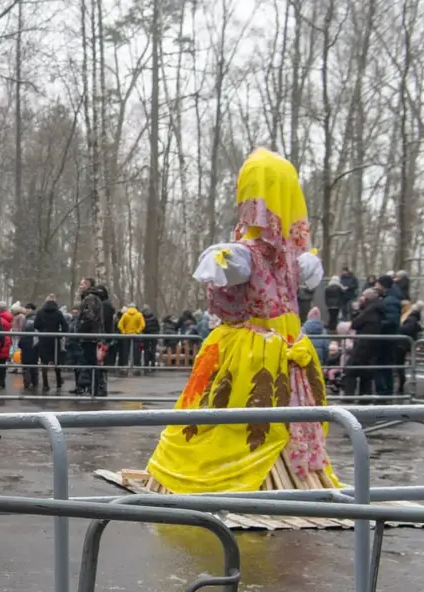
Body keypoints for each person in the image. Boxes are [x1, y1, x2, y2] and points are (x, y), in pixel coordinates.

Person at [143, 148, 339, 494]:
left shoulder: (252, 256)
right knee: (253, 417)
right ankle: (287, 484)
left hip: (257, 353)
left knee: (251, 418)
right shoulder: (276, 258)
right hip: (278, 349)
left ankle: (270, 482)